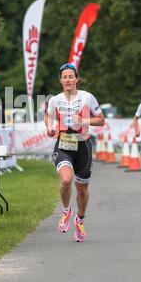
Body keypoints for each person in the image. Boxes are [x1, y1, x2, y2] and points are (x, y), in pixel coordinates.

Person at [45, 63, 105, 242]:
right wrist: (49, 128)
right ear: (60, 80)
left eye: (71, 76)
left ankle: (80, 219)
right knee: (65, 180)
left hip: (83, 147)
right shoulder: (55, 100)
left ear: (77, 78)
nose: (68, 80)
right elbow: (48, 116)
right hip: (63, 145)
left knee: (81, 190)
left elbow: (101, 120)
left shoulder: (87, 97)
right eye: (65, 77)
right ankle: (66, 211)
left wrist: (84, 119)